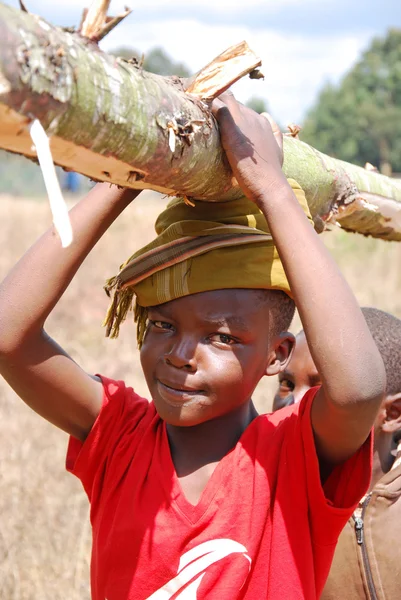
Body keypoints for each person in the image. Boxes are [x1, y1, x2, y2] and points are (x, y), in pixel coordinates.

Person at [0, 94, 385, 599]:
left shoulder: (293, 457)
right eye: (161, 325)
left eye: (222, 337)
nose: (181, 354)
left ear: (277, 354)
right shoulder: (120, 438)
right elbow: (9, 336)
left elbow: (359, 390)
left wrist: (271, 187)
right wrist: (128, 178)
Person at [273, 308, 401, 599]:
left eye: (322, 390)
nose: (293, 404)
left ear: (392, 414)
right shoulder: (264, 504)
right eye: (287, 384)